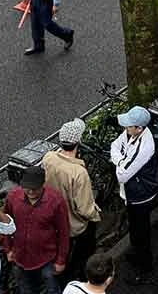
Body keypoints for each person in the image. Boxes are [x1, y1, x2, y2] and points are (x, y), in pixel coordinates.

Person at [42, 120, 102, 283]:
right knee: (82, 257)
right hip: (75, 227)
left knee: (61, 257)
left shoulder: (49, 158)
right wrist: (95, 214)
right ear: (78, 142)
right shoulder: (78, 172)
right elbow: (84, 209)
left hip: (54, 221)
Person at [110, 106, 158, 283]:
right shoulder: (132, 133)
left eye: (129, 125)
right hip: (133, 193)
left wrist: (119, 161)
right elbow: (114, 145)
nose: (125, 128)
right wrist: (122, 160)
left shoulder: (145, 146)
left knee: (141, 230)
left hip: (141, 195)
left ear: (139, 128)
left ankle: (144, 266)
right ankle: (137, 254)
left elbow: (122, 175)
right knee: (135, 227)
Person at [4, 166, 70, 294]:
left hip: (47, 259)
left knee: (52, 289)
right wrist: (8, 249)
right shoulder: (13, 198)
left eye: (35, 188)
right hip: (20, 257)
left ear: (43, 184)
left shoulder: (56, 201)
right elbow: (5, 224)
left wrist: (61, 260)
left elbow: (64, 232)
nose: (30, 192)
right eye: (27, 188)